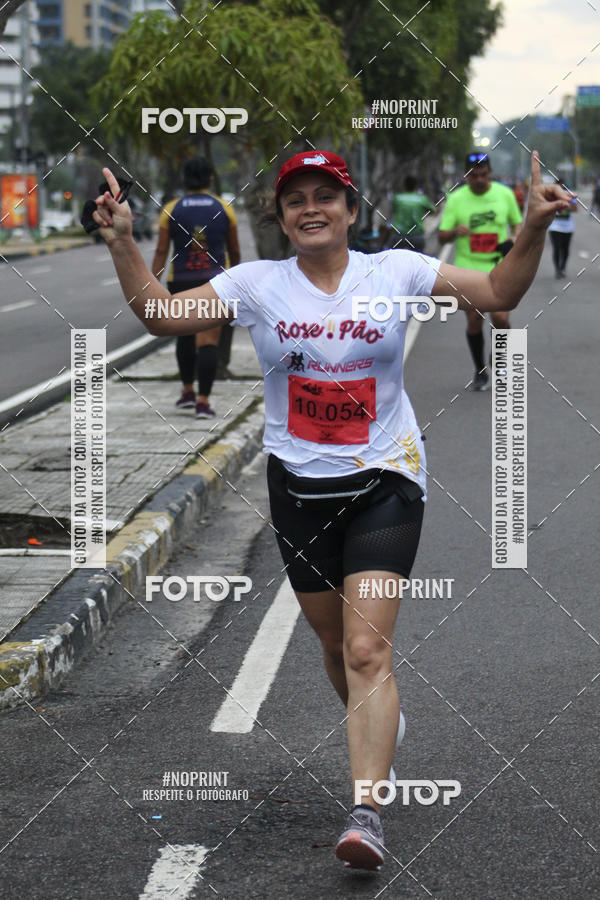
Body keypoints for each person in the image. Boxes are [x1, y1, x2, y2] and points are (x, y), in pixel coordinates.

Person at [93, 150, 570, 872]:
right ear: (282, 217)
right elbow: (163, 318)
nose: (310, 208)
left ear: (350, 209)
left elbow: (500, 287)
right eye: (295, 200)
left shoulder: (397, 273)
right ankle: (378, 717)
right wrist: (125, 241)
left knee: (365, 649)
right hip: (299, 491)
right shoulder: (256, 284)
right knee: (331, 645)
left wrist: (532, 222)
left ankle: (367, 812)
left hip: (385, 482)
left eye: (325, 196)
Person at [152, 157, 241, 417]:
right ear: (211, 179)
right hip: (215, 282)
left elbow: (160, 251)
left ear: (184, 180)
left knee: (185, 336)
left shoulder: (171, 208)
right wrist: (236, 280)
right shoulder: (225, 208)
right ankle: (203, 401)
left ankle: (188, 390)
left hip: (180, 280)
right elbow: (234, 250)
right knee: (208, 341)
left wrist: (150, 283)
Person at [438, 152, 523, 390]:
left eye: (483, 175)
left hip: (499, 265)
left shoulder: (504, 195)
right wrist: (455, 232)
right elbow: (442, 236)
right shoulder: (456, 199)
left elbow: (517, 223)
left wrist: (514, 237)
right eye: (473, 175)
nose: (479, 179)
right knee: (475, 319)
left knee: (501, 318)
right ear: (466, 176)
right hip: (469, 267)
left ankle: (498, 361)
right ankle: (479, 370)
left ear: (490, 173)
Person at [380, 175, 435, 252]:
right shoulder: (422, 199)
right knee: (420, 258)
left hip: (398, 235)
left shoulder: (397, 198)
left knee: (390, 256)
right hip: (416, 235)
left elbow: (393, 211)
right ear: (416, 186)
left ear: (404, 186)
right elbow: (433, 211)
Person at [548, 179, 577, 277]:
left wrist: (563, 206)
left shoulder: (570, 194)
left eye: (562, 186)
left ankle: (563, 267)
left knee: (565, 249)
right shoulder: (551, 196)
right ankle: (557, 269)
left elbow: (575, 208)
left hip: (568, 227)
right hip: (554, 226)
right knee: (556, 247)